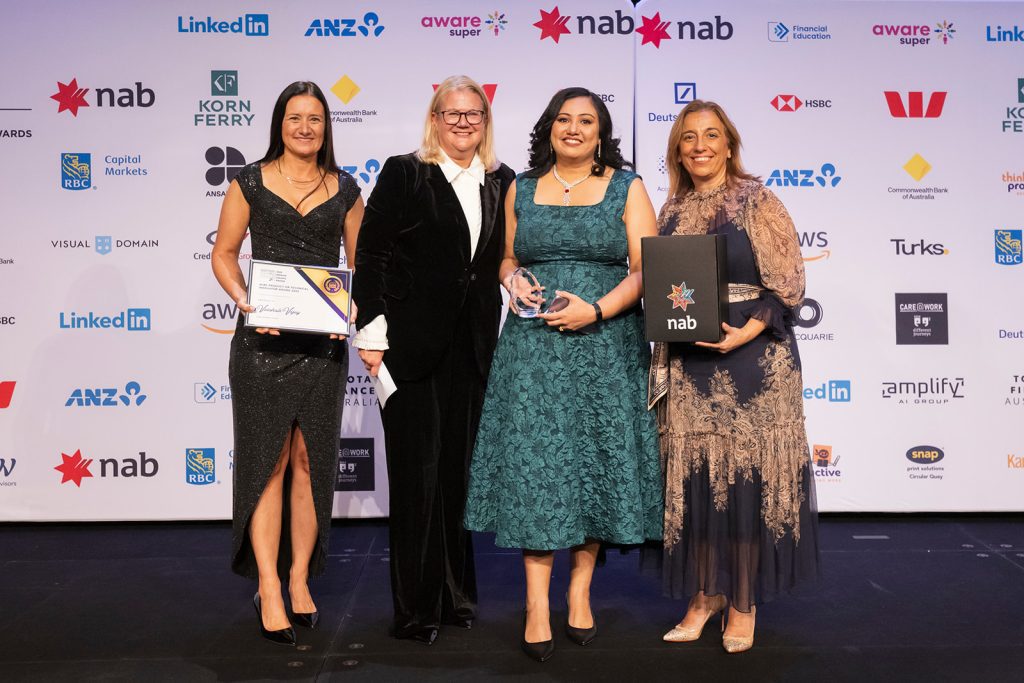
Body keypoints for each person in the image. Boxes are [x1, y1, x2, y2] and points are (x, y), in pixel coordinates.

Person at [463, 87, 662, 662]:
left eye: (586, 121)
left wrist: (595, 310)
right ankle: (534, 604)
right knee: (537, 468)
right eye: (563, 120)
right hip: (533, 348)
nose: (573, 129)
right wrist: (512, 279)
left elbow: (647, 268)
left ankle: (578, 592)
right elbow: (506, 257)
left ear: (601, 133)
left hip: (606, 343)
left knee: (591, 461)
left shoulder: (628, 187)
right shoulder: (521, 187)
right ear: (548, 128)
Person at [649, 100, 819, 654]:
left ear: (729, 145)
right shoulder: (670, 211)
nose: (700, 146)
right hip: (691, 363)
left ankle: (742, 602)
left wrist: (744, 333)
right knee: (697, 481)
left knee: (747, 483)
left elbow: (789, 284)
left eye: (711, 135)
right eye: (689, 137)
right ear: (678, 150)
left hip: (754, 362)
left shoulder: (758, 201)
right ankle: (705, 596)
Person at [351, 75, 515, 646]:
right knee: (416, 481)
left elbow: (502, 260)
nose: (463, 123)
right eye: (453, 114)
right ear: (435, 119)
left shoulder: (503, 181)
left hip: (473, 349)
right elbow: (371, 255)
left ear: (485, 121)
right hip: (409, 347)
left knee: (456, 478)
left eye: (474, 114)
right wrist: (371, 333)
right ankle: (415, 611)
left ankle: (455, 597)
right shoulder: (405, 172)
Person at [211, 81, 364, 645]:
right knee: (267, 462)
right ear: (280, 123)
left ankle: (300, 578)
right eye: (295, 117)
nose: (305, 127)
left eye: (315, 118)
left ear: (326, 127)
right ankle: (269, 586)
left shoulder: (345, 188)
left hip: (321, 348)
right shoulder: (249, 181)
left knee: (309, 461)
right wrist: (247, 301)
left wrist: (353, 308)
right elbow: (224, 254)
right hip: (262, 346)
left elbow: (362, 264)